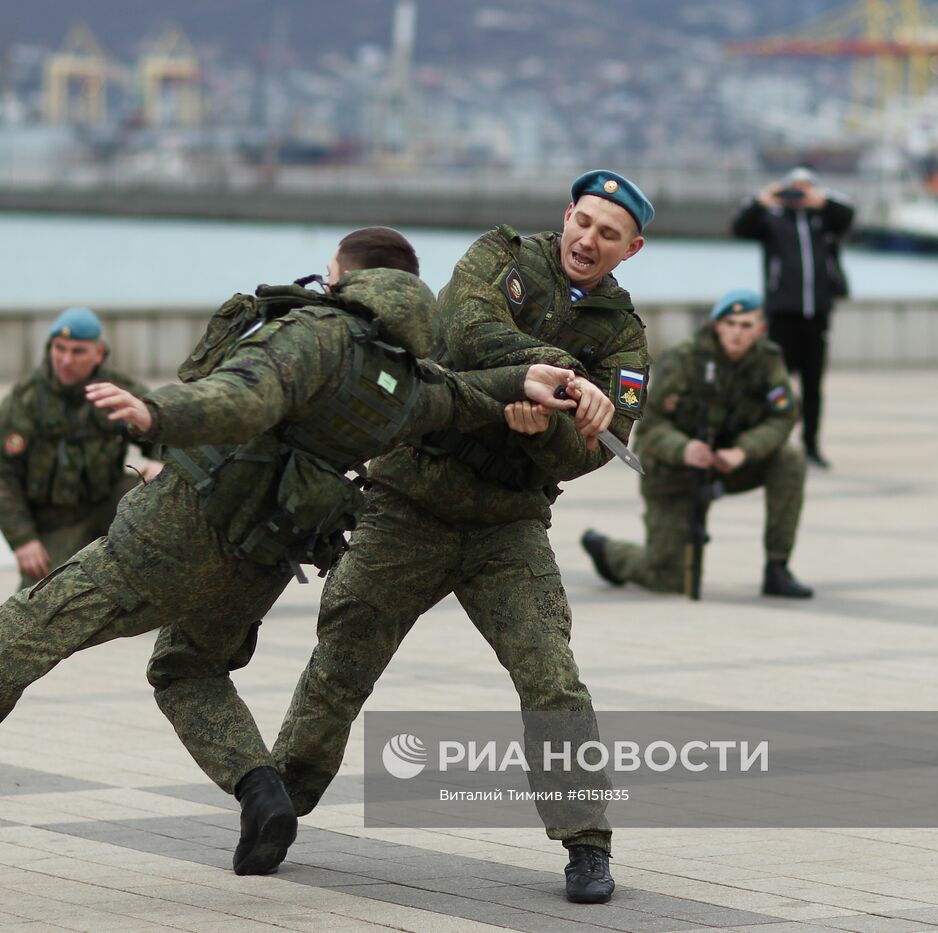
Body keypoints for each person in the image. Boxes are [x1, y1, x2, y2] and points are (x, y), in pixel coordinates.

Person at [0, 227, 610, 879]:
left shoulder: (320, 332)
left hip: (176, 530)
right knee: (187, 667)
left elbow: (244, 394)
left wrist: (154, 412)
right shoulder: (402, 378)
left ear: (344, 274)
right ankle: (263, 791)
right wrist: (522, 380)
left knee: (29, 626)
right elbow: (464, 398)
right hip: (261, 559)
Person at [269, 171, 652, 905]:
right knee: (342, 658)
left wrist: (543, 431)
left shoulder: (627, 339)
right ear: (567, 215)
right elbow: (462, 333)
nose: (588, 241)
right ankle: (280, 804)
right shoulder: (498, 258)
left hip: (506, 524)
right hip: (412, 498)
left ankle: (586, 843)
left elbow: (593, 451)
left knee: (552, 676)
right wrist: (552, 378)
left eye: (609, 235)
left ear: (630, 249)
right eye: (585, 222)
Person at [581, 289, 813, 599]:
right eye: (730, 323)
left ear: (760, 329)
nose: (737, 333)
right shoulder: (685, 360)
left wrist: (744, 451)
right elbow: (651, 430)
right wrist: (684, 449)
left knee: (790, 459)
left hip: (727, 464)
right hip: (674, 471)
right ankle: (610, 553)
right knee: (669, 578)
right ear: (717, 325)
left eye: (746, 326)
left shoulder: (767, 362)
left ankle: (777, 567)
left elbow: (783, 417)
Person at [0, 308, 163, 626]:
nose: (66, 360)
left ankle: (165, 592)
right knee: (39, 608)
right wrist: (23, 540)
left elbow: (166, 428)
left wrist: (159, 461)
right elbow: (1, 478)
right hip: (57, 521)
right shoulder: (25, 402)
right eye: (60, 349)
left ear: (98, 353)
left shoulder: (117, 392)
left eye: (77, 351)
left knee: (154, 496)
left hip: (106, 503)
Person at [731, 165, 853, 469]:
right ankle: (773, 442)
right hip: (782, 314)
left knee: (813, 386)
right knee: (778, 383)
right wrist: (764, 200)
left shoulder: (823, 220)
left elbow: (848, 215)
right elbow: (740, 228)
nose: (797, 195)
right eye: (793, 189)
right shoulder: (773, 221)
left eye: (804, 189)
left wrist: (821, 201)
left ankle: (811, 446)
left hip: (817, 315)